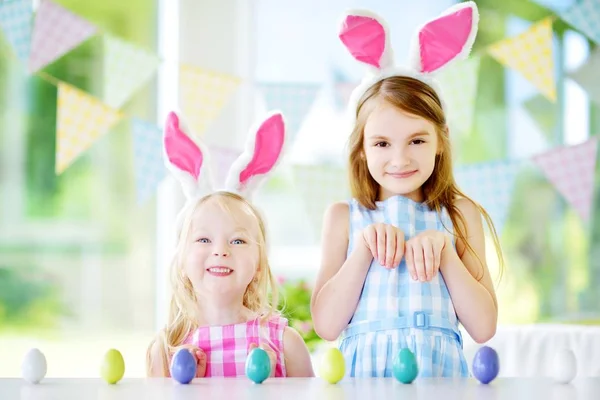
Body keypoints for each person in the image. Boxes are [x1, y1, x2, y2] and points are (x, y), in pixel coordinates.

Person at [311, 1, 504, 378]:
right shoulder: (343, 217)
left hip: (440, 378)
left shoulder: (459, 215)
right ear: (362, 150)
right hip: (365, 380)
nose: (400, 159)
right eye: (382, 144)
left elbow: (484, 327)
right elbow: (326, 325)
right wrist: (364, 249)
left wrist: (446, 253)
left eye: (416, 141)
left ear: (441, 141)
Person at [147, 110, 314, 378]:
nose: (220, 251)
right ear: (181, 261)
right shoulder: (168, 350)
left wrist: (271, 389)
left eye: (237, 240)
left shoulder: (284, 344)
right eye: (203, 239)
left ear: (259, 263)